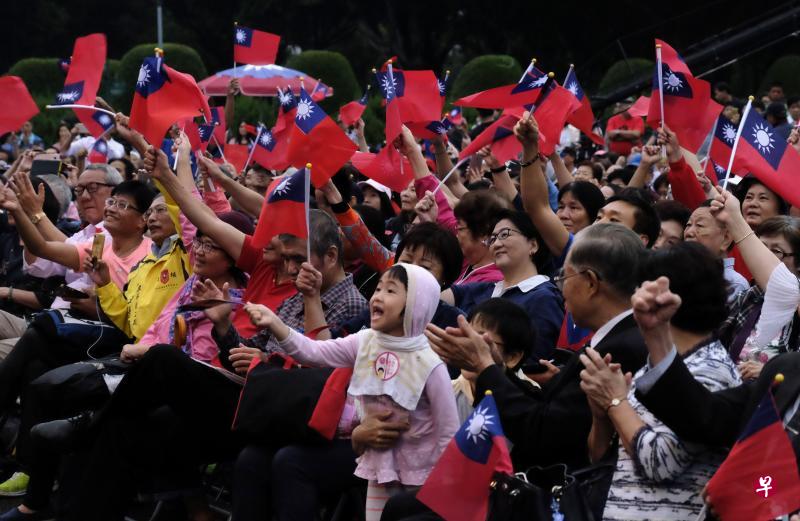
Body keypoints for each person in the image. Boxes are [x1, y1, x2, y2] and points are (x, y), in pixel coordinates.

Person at [244, 263, 459, 521]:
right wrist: (276, 324)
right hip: (379, 464)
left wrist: (449, 485)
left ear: (415, 304)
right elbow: (314, 353)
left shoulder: (430, 363)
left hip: (422, 473)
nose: (377, 296)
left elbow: (449, 430)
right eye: (377, 288)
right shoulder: (365, 340)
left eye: (391, 291)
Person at [428, 223, 648, 473]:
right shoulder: (618, 337)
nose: (561, 288)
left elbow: (544, 432)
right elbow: (549, 412)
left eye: (564, 277)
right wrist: (498, 369)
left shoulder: (621, 349)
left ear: (590, 283)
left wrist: (484, 367)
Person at [580, 242, 741, 519]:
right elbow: (600, 457)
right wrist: (601, 415)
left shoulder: (712, 369)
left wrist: (615, 402)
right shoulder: (651, 369)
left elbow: (660, 463)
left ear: (667, 300)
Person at [443, 208, 563, 364]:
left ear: (533, 245)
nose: (497, 244)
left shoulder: (544, 298)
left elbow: (535, 367)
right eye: (492, 239)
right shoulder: (484, 289)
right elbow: (433, 296)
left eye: (505, 234)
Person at [683, 200, 749, 302]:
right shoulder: (675, 269)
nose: (689, 232)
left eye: (700, 225)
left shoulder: (735, 285)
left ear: (726, 238)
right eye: (688, 224)